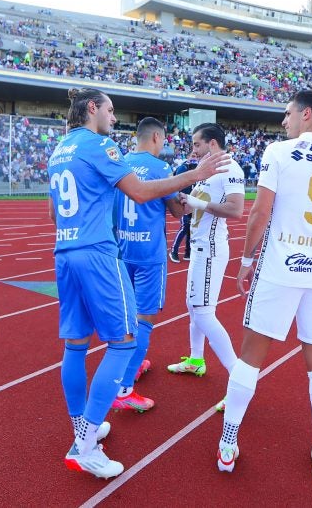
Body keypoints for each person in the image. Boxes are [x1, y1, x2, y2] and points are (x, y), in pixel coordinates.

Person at [49, 87, 229, 479]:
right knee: (124, 342)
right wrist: (195, 174)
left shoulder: (59, 149)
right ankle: (86, 443)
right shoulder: (101, 145)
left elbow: (52, 211)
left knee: (76, 345)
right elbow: (141, 191)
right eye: (110, 111)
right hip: (99, 252)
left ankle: (82, 426)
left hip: (65, 250)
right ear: (92, 108)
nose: (114, 119)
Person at [219, 89, 312, 485]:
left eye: (287, 114)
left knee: (251, 357)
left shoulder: (279, 153)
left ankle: (228, 440)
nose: (283, 121)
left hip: (278, 269)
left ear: (306, 114)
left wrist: (247, 260)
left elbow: (260, 211)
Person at [166, 123, 245, 412]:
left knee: (202, 312)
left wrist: (195, 200)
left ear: (213, 144)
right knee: (193, 307)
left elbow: (236, 210)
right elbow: (190, 207)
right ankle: (197, 359)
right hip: (199, 248)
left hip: (210, 249)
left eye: (197, 144)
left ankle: (239, 378)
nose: (193, 148)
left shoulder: (231, 168)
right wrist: (176, 197)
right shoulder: (204, 169)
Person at [111, 117, 185, 413]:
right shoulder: (161, 168)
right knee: (145, 318)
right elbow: (177, 211)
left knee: (126, 313)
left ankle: (132, 361)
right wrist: (185, 201)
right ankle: (125, 387)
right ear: (156, 137)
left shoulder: (121, 163)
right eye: (164, 139)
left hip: (123, 248)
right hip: (149, 255)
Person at [169, 155, 197, 262]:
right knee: (185, 226)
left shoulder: (196, 169)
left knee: (191, 228)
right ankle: (173, 251)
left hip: (192, 201)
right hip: (183, 200)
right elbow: (177, 184)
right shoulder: (183, 168)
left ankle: (188, 252)